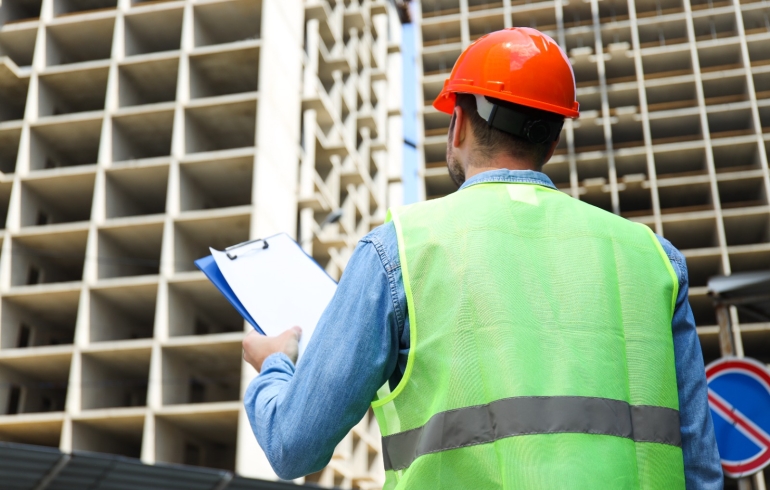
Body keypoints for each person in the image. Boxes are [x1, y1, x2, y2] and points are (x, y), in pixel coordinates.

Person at [242, 28, 723, 489]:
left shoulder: (399, 251)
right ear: (552, 141)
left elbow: (292, 447)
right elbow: (699, 469)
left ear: (460, 123)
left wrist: (276, 366)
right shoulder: (654, 259)